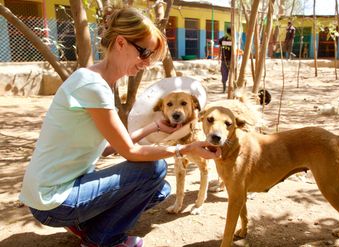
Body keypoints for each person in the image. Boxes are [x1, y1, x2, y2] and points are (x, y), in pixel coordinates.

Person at [19, 6, 221, 247]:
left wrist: (154, 127)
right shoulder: (92, 85)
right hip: (53, 201)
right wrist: (184, 150)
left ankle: (87, 226)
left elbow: (107, 149)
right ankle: (103, 239)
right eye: (144, 53)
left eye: (151, 58)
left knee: (159, 191)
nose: (146, 63)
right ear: (121, 42)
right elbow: (130, 152)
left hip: (56, 194)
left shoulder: (99, 81)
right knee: (154, 169)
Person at [218, 27, 232, 93]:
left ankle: (224, 89)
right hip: (231, 61)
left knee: (224, 74)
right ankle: (229, 89)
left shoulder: (222, 39)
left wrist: (218, 58)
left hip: (224, 60)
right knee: (231, 75)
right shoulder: (233, 39)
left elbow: (220, 49)